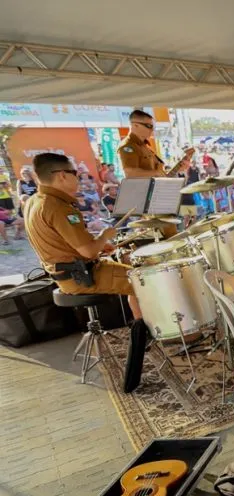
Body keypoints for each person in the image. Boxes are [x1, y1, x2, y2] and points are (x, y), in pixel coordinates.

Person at [24, 153, 150, 392]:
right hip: (81, 277)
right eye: (76, 174)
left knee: (132, 270)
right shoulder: (58, 207)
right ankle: (144, 333)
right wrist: (104, 237)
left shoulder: (34, 201)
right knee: (143, 279)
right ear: (62, 176)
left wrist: (99, 247)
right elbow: (88, 251)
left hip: (66, 274)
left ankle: (142, 326)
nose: (79, 179)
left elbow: (66, 245)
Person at [118, 110, 194, 238]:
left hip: (158, 197)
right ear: (134, 125)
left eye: (152, 126)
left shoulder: (146, 146)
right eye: (148, 126)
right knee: (169, 239)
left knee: (172, 235)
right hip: (148, 200)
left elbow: (159, 175)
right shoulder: (128, 146)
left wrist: (179, 168)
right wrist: (156, 172)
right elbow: (130, 173)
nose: (151, 129)